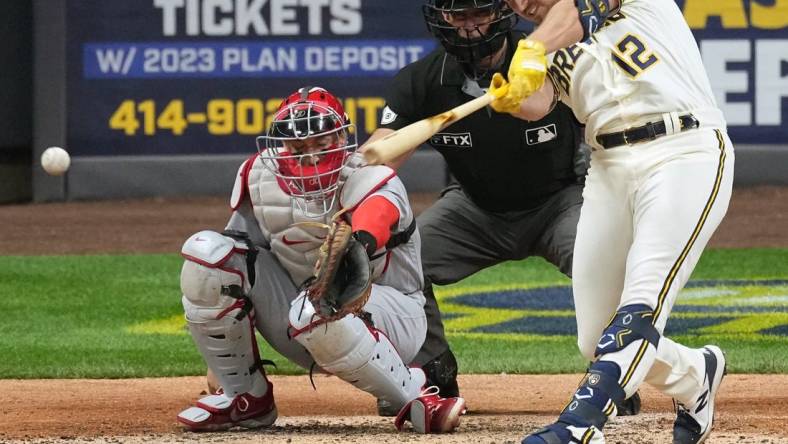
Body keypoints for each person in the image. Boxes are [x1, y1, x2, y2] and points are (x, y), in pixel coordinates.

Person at [364, 0, 640, 417]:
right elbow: (379, 157)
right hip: (473, 210)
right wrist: (349, 176)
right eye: (459, 17)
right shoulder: (422, 80)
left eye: (480, 15)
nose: (471, 28)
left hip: (559, 202)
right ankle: (432, 370)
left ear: (499, 14)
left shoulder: (544, 56)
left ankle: (614, 372)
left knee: (601, 256)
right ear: (441, 20)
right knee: (395, 260)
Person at [489, 0, 734, 442]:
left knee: (640, 305)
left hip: (683, 149)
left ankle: (580, 426)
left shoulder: (551, 32)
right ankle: (695, 374)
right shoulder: (535, 44)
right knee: (594, 337)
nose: (521, 3)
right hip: (608, 169)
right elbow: (539, 104)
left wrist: (532, 49)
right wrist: (513, 95)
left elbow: (572, 15)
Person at [175, 86, 466, 434]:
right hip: (302, 320)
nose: (310, 156)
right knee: (207, 254)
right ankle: (245, 398)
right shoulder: (258, 176)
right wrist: (220, 360)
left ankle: (416, 397)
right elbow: (236, 259)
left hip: (395, 318)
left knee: (314, 306)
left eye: (321, 144)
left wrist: (357, 244)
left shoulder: (371, 178)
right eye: (299, 147)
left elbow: (377, 215)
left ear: (342, 138)